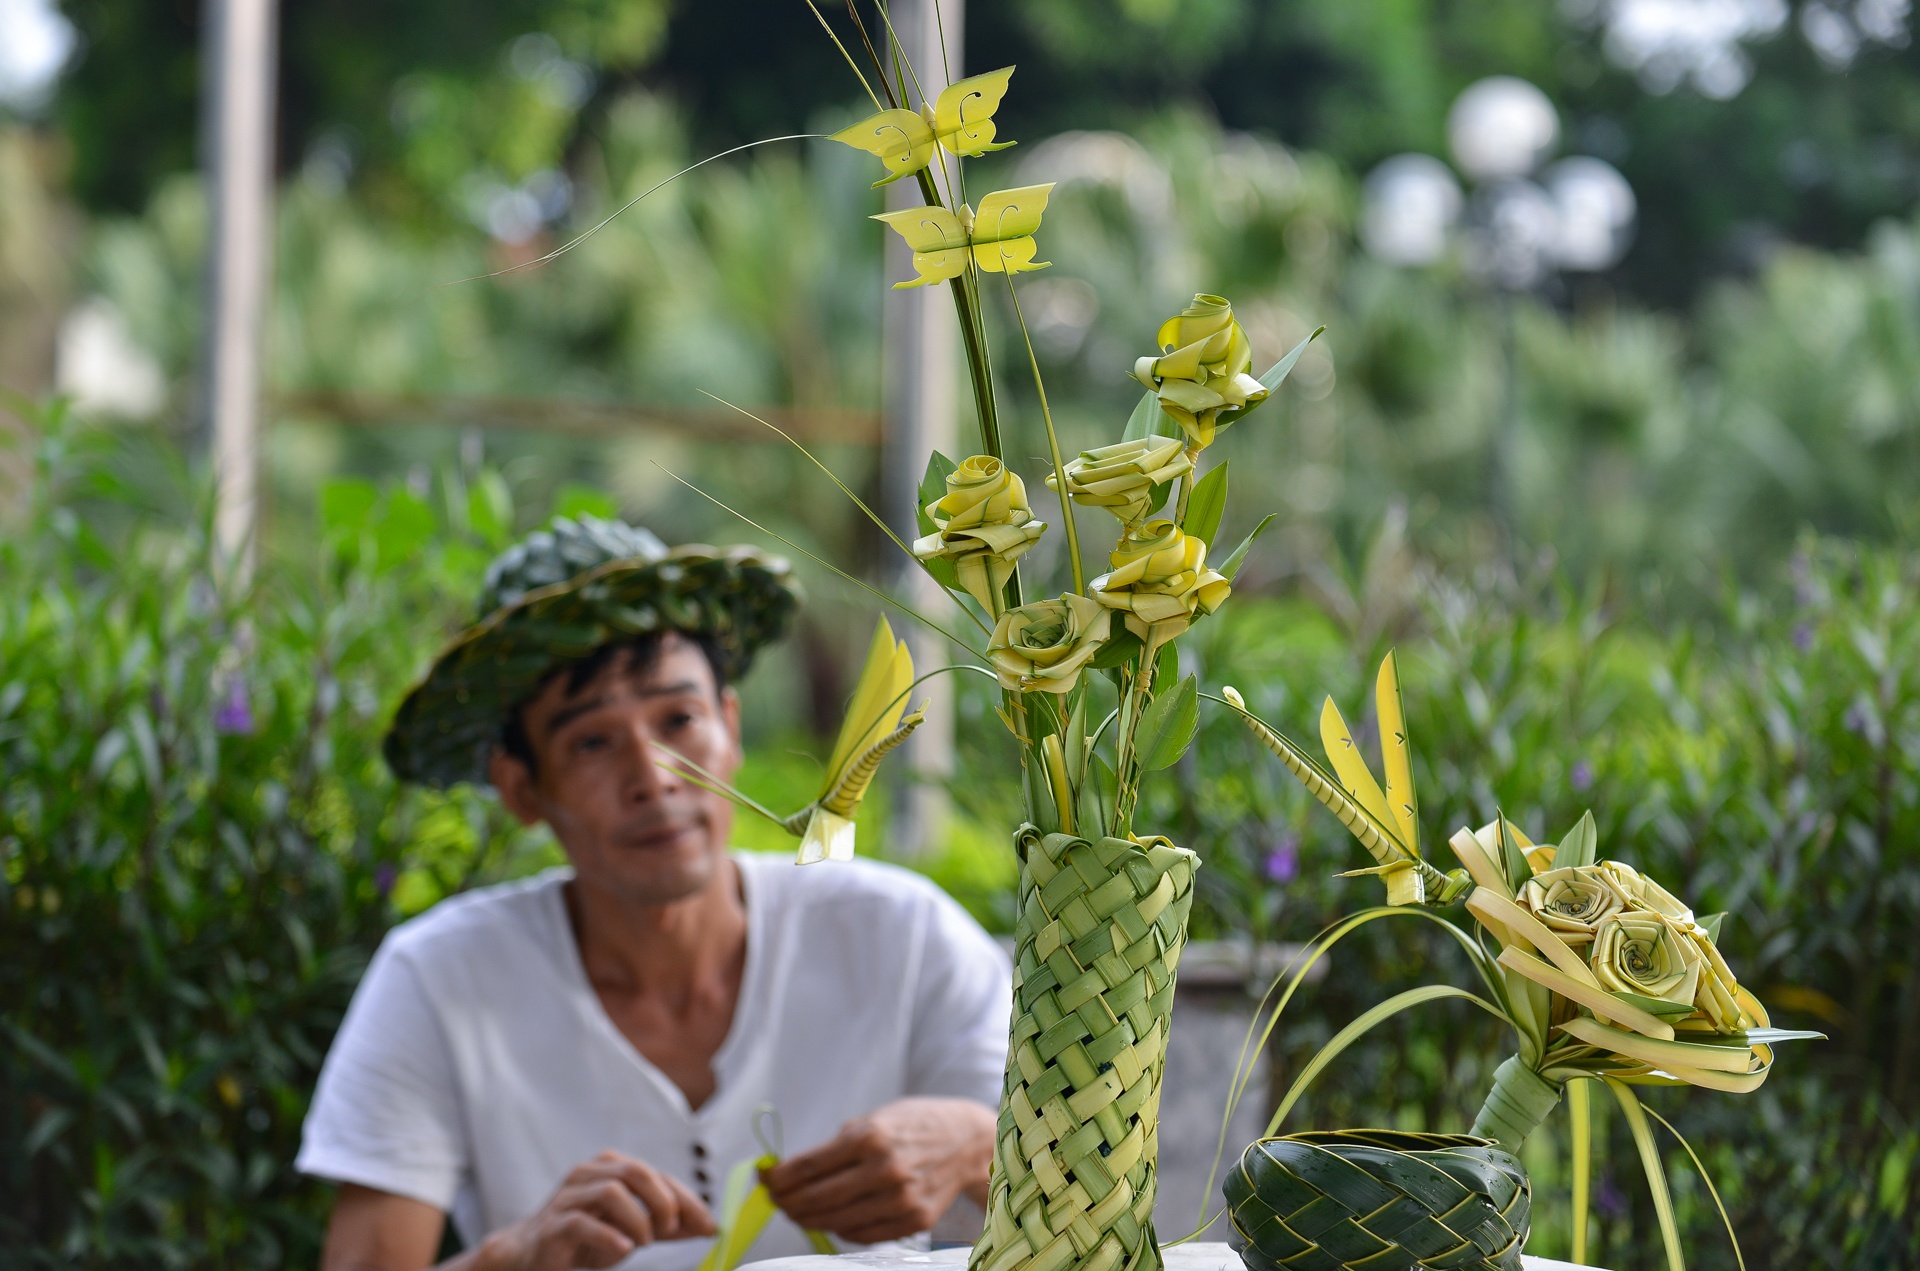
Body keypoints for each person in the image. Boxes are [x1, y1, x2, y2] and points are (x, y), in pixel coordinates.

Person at [298, 515, 1012, 1271]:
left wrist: (973, 1143)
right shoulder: (441, 979)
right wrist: (515, 1257)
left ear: (731, 728)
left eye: (680, 718)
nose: (655, 776)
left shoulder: (899, 935)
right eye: (592, 742)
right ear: (522, 787)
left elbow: (1094, 1201)